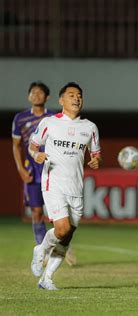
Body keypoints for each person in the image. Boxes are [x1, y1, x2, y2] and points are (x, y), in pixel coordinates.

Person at [29, 82, 101, 290]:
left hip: (76, 188)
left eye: (79, 95)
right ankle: (40, 250)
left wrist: (97, 161)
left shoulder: (90, 128)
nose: (76, 98)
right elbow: (33, 146)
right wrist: (37, 155)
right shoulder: (49, 123)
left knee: (66, 237)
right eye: (71, 95)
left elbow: (96, 154)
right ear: (61, 100)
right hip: (54, 183)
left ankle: (47, 278)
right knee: (62, 228)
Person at [12, 82, 77, 266]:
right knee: (36, 211)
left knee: (59, 211)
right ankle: (42, 250)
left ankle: (64, 243)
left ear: (47, 97)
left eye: (40, 92)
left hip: (52, 167)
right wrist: (20, 169)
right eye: (33, 92)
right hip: (32, 169)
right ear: (28, 96)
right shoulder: (20, 119)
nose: (36, 95)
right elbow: (16, 146)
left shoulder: (55, 117)